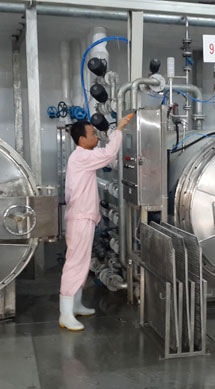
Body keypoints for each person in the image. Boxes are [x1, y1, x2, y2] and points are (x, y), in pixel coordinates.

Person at [59, 113, 133, 331]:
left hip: (84, 218)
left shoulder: (82, 157)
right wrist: (118, 129)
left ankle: (75, 305)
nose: (96, 137)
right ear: (82, 139)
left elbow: (106, 156)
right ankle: (65, 314)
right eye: (92, 133)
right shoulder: (81, 156)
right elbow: (109, 154)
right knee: (75, 263)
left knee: (81, 263)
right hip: (80, 220)